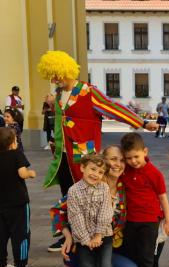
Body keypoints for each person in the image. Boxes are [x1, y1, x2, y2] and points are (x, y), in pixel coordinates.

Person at [37, 50, 157, 252]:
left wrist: (142, 122)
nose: (53, 79)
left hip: (84, 156)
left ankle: (90, 233)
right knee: (68, 193)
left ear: (63, 70)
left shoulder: (88, 92)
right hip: (63, 155)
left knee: (87, 194)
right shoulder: (59, 94)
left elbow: (113, 108)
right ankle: (69, 233)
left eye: (54, 74)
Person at [120, 132, 169, 267]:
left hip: (150, 222)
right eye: (129, 158)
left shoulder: (154, 173)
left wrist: (168, 220)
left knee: (146, 258)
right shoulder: (125, 171)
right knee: (133, 254)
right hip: (131, 220)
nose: (133, 161)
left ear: (145, 151)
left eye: (136, 156)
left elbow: (163, 197)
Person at [67, 153, 120, 267]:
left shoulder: (104, 188)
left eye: (100, 172)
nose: (95, 174)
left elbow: (106, 213)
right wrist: (85, 240)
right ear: (83, 168)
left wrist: (97, 236)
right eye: (93, 169)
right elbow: (75, 217)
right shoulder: (74, 191)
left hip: (103, 236)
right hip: (83, 240)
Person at [0, 127, 38, 267]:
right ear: (12, 142)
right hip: (18, 204)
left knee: (1, 235)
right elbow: (22, 173)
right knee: (21, 235)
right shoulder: (16, 154)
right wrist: (31, 173)